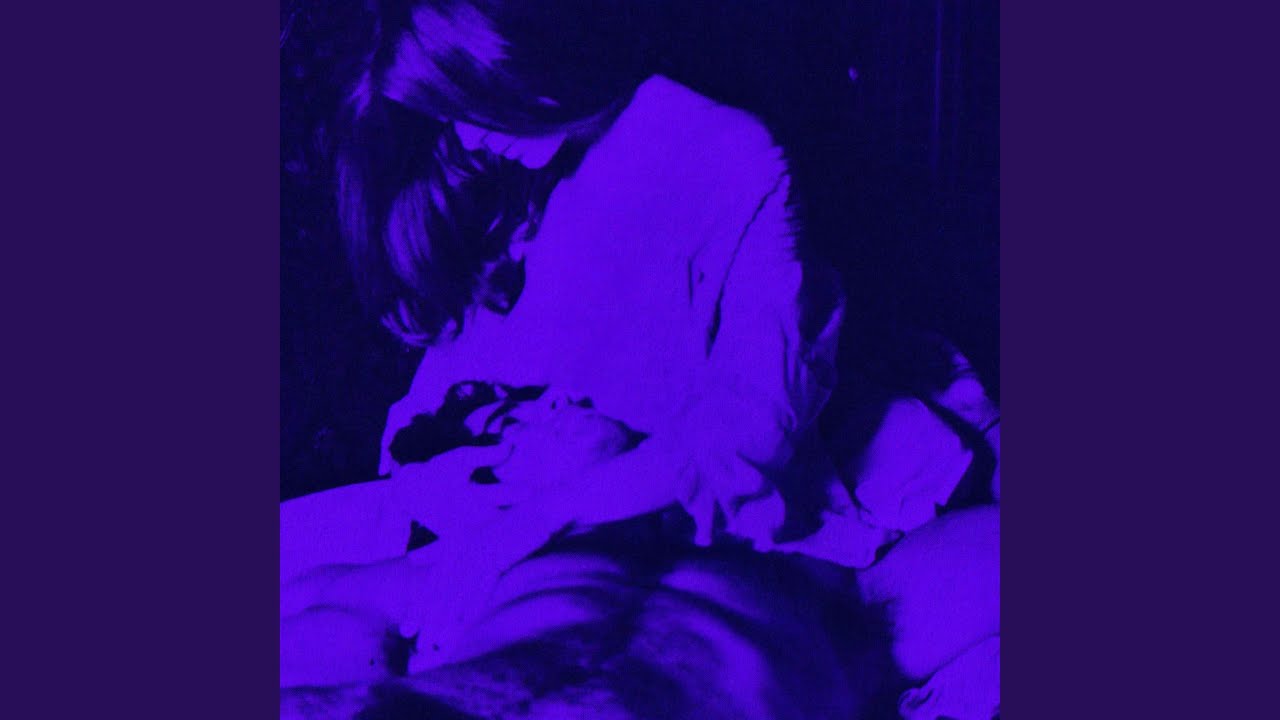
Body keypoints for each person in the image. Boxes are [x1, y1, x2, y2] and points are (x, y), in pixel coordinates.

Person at [281, 1, 1000, 714]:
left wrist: (531, 522)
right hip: (558, 510)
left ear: (520, 61)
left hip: (672, 512)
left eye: (470, 105)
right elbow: (458, 387)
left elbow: (750, 436)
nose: (466, 136)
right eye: (450, 114)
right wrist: (452, 491)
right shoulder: (522, 166)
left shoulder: (728, 154)